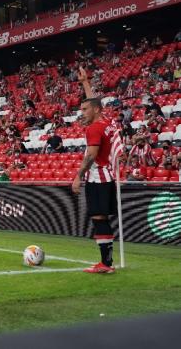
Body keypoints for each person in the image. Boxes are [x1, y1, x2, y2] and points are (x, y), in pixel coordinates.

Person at [72, 97, 118, 274]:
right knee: (101, 219)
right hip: (106, 177)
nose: (82, 113)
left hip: (98, 178)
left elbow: (91, 155)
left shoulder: (94, 128)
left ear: (96, 110)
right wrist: (85, 84)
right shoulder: (104, 123)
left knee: (99, 219)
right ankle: (106, 262)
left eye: (85, 109)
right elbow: (95, 102)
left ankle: (106, 264)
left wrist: (78, 176)